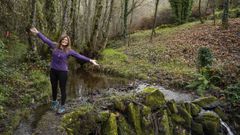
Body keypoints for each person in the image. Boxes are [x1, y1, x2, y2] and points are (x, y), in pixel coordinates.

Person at [30, 27, 99, 114]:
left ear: (68, 42)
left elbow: (79, 56)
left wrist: (90, 60)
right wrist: (37, 33)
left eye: (66, 40)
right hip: (53, 71)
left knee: (62, 89)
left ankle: (62, 106)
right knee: (54, 87)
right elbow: (45, 40)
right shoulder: (54, 45)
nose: (65, 41)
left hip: (63, 72)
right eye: (64, 39)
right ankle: (54, 102)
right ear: (61, 40)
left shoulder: (69, 50)